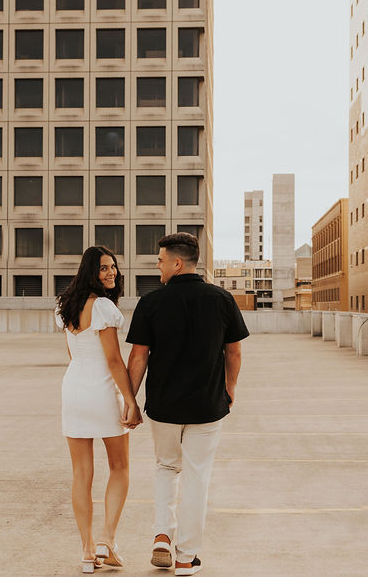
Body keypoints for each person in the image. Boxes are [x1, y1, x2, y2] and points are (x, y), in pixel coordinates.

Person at [126, 232, 248, 576]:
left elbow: (138, 356)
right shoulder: (222, 299)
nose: (158, 266)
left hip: (164, 406)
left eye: (161, 261)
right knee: (197, 477)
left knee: (166, 467)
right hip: (208, 405)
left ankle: (162, 534)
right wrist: (230, 388)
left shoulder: (151, 303)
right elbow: (234, 351)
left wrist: (130, 401)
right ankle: (185, 557)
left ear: (177, 263)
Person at [56, 246, 143, 573]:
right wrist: (131, 400)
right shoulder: (104, 307)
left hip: (73, 388)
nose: (111, 273)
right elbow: (112, 360)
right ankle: (107, 540)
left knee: (81, 473)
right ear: (90, 272)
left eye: (114, 268)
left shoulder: (65, 306)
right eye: (104, 268)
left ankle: (87, 552)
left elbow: (72, 354)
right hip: (103, 390)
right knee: (119, 467)